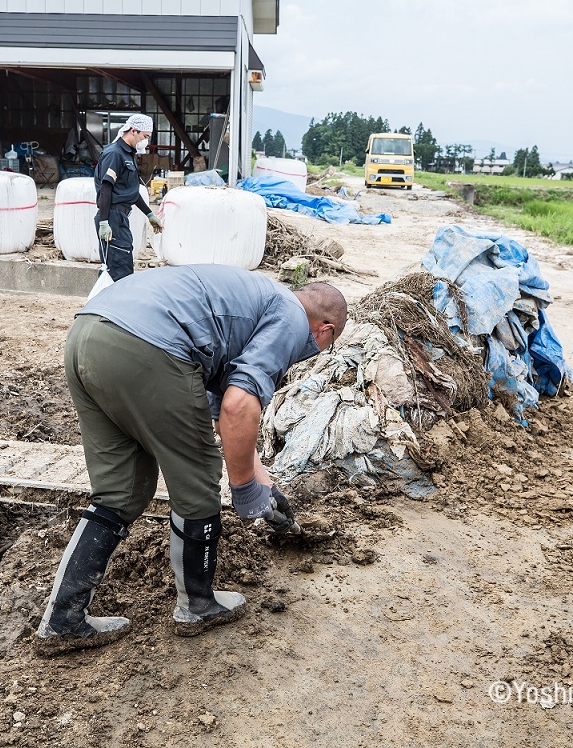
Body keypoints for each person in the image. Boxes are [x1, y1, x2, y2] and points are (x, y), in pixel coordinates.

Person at [35, 265, 348, 656]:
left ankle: (63, 619)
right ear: (324, 331)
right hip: (147, 346)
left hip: (88, 334)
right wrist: (245, 490)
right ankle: (198, 606)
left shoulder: (246, 300)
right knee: (198, 478)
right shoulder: (289, 315)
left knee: (119, 491)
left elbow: (222, 412)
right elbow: (240, 405)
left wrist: (261, 479)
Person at [94, 113, 164, 282]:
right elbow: (106, 188)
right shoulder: (115, 154)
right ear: (133, 131)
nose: (146, 142)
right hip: (112, 217)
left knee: (121, 265)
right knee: (117, 270)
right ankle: (107, 306)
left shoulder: (127, 155)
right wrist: (104, 222)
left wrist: (149, 214)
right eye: (145, 137)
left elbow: (130, 192)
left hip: (120, 217)